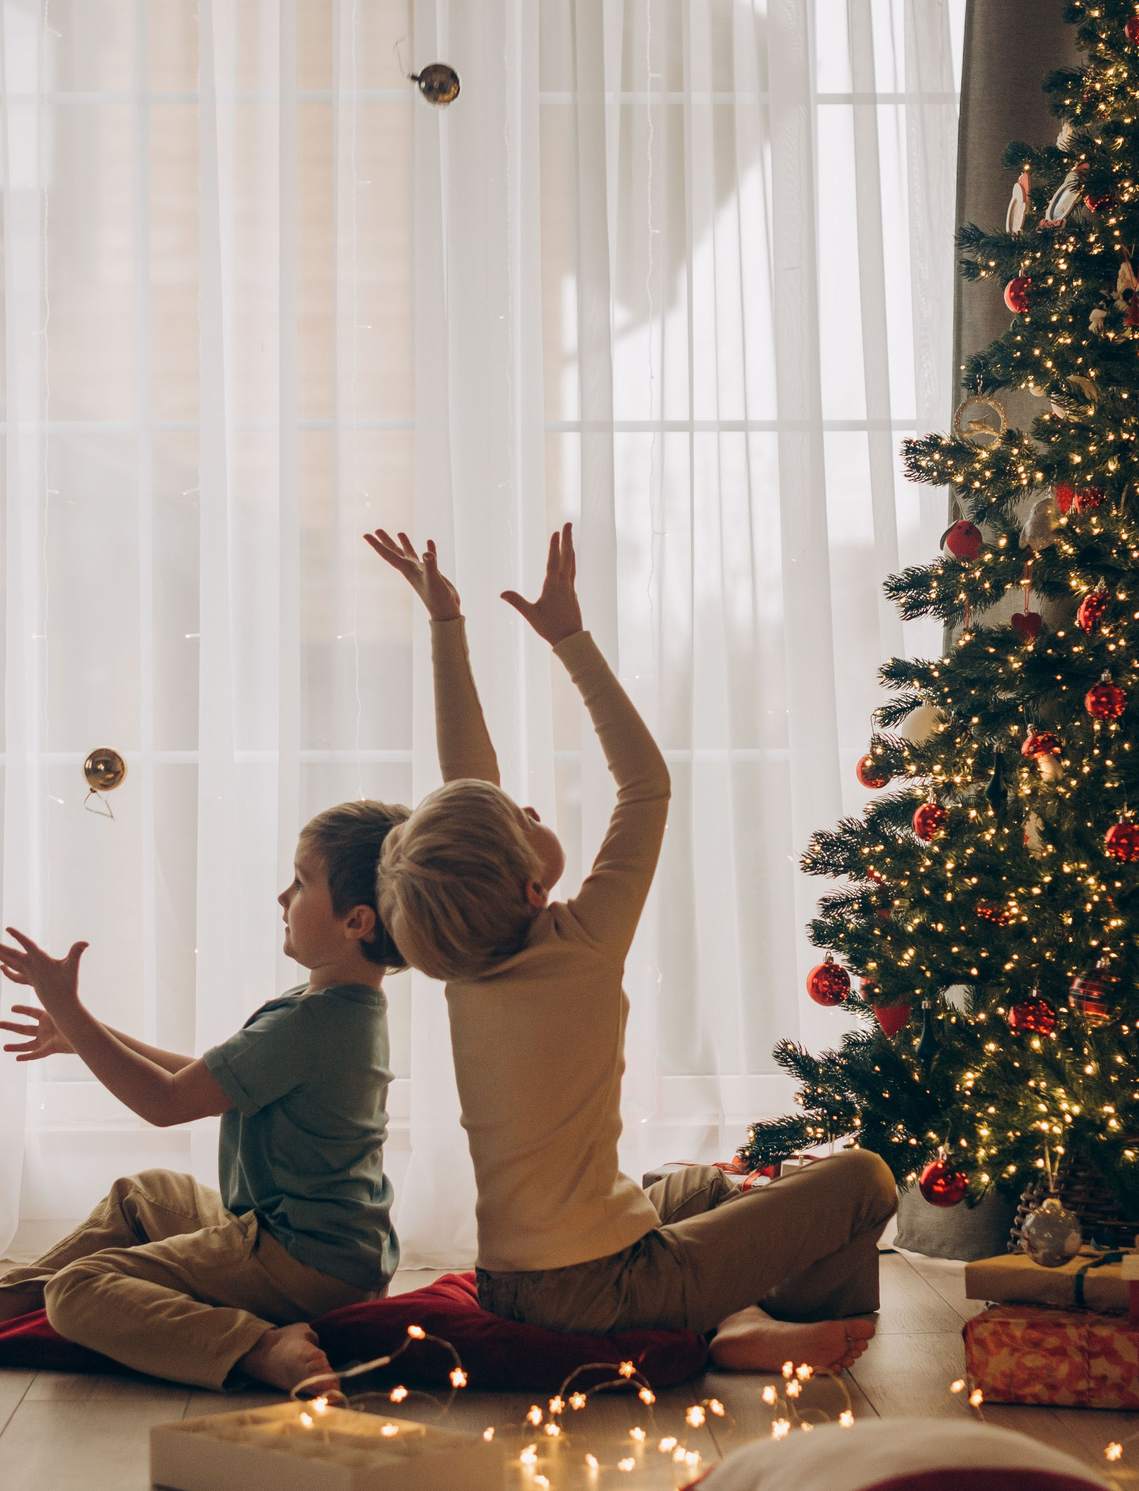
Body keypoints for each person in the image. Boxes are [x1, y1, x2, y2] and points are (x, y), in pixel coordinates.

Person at [365, 523, 897, 1373]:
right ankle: (757, 1332)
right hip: (605, 1289)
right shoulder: (582, 942)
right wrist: (571, 643)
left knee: (693, 1187)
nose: (532, 809)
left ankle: (730, 1312)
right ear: (533, 889)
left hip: (514, 1281)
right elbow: (645, 784)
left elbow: (468, 782)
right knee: (864, 1176)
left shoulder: (462, 965)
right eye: (524, 820)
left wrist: (445, 626)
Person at [0, 801, 410, 1393]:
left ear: (357, 923)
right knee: (144, 1195)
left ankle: (258, 1347)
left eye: (300, 883)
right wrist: (78, 1034)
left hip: (303, 1266)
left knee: (75, 1291)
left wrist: (69, 1009)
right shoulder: (341, 1010)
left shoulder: (312, 1022)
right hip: (329, 1251)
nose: (283, 897)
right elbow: (204, 1082)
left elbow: (166, 1103)